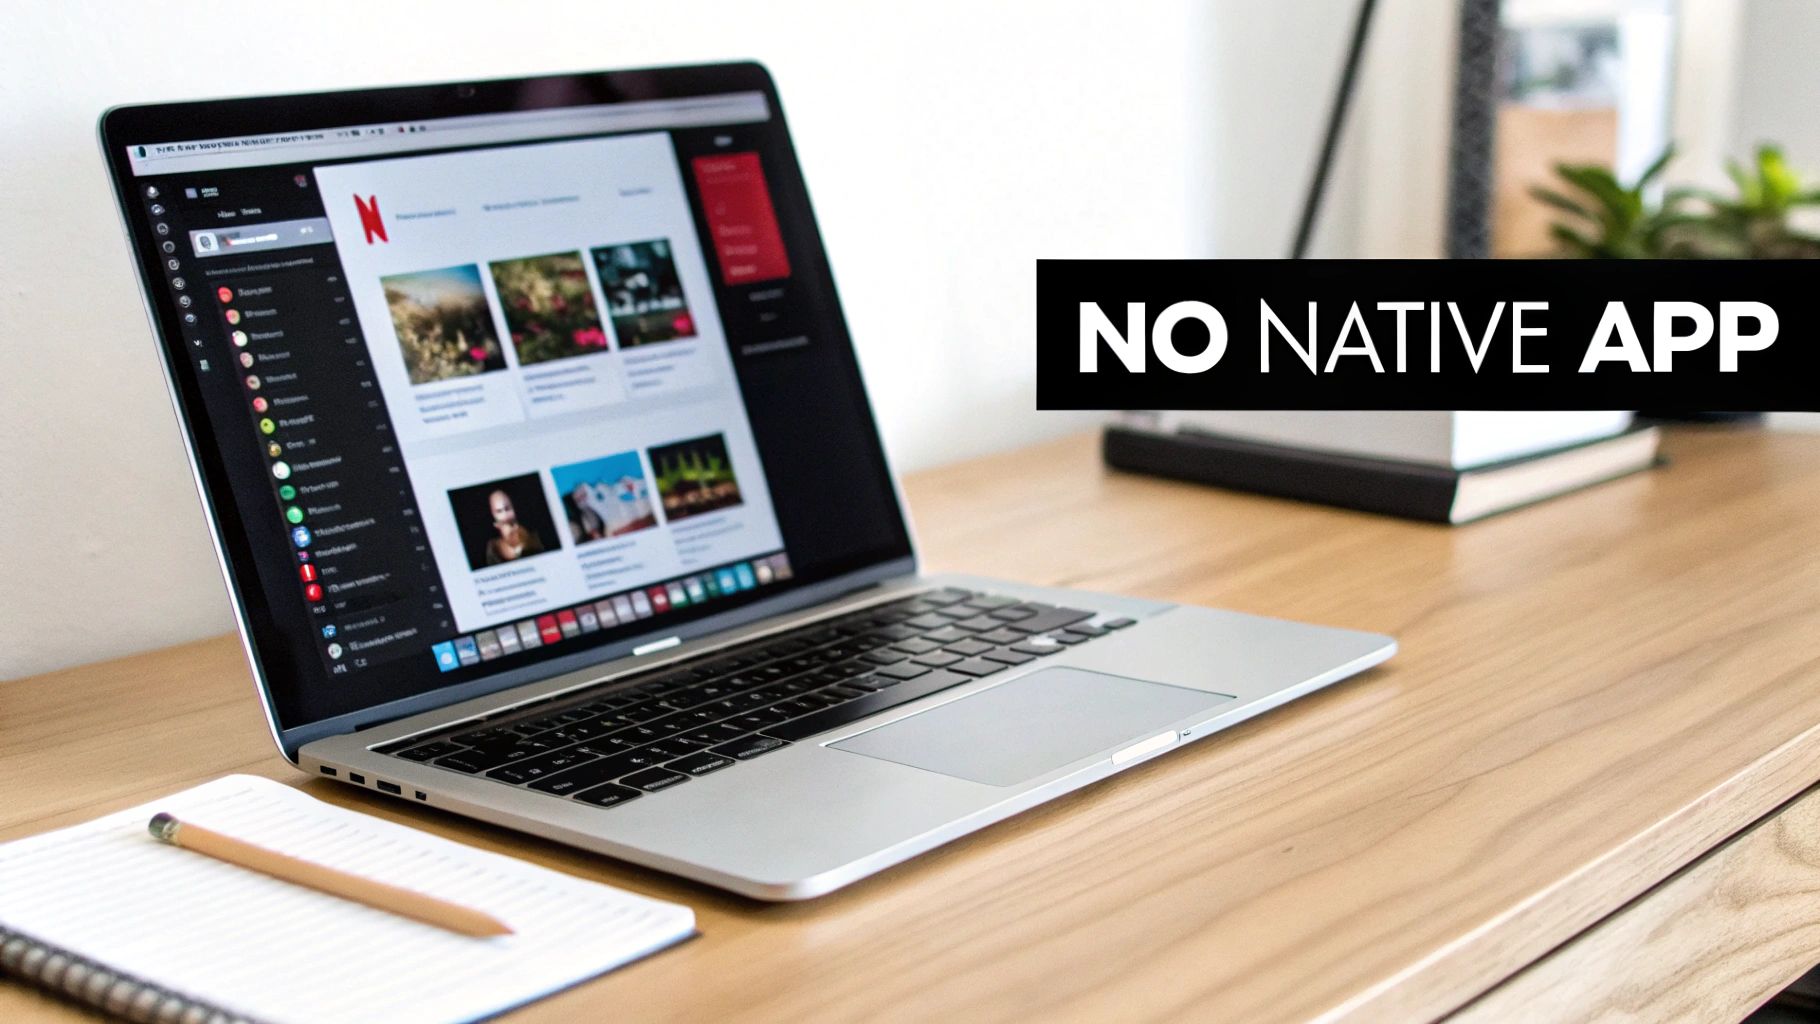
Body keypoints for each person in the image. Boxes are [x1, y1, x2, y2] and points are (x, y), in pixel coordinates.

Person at [483, 489, 544, 565]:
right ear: (493, 514)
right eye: (499, 511)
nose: (505, 515)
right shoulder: (493, 547)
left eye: (507, 508)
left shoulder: (532, 536)